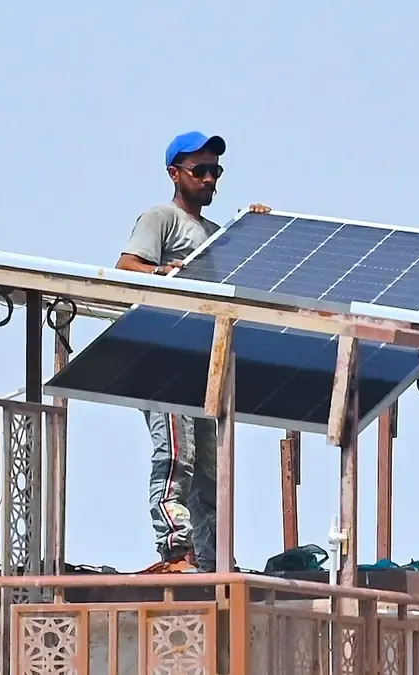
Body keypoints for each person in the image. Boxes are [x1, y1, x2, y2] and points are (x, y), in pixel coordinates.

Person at [116, 130, 269, 573]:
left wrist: (255, 229)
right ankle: (175, 545)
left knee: (210, 468)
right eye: (199, 170)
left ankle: (215, 557)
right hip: (164, 357)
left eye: (214, 171)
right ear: (174, 173)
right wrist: (166, 271)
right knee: (176, 455)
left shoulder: (217, 235)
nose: (208, 179)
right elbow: (126, 267)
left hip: (205, 363)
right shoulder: (161, 217)